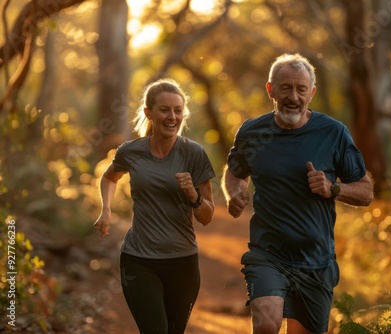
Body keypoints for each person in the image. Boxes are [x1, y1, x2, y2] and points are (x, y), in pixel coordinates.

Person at [222, 53, 374, 334]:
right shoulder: (252, 132)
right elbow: (234, 172)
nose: (293, 96)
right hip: (267, 254)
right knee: (266, 324)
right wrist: (235, 192)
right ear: (270, 90)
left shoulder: (333, 133)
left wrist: (333, 188)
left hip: (316, 260)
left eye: (301, 89)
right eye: (285, 88)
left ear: (311, 93)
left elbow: (366, 191)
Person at [94, 78, 215, 334]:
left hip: (183, 262)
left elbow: (207, 216)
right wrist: (106, 209)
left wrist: (193, 194)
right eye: (164, 109)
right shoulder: (130, 151)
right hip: (139, 260)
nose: (172, 116)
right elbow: (109, 177)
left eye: (178, 110)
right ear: (149, 113)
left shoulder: (194, 154)